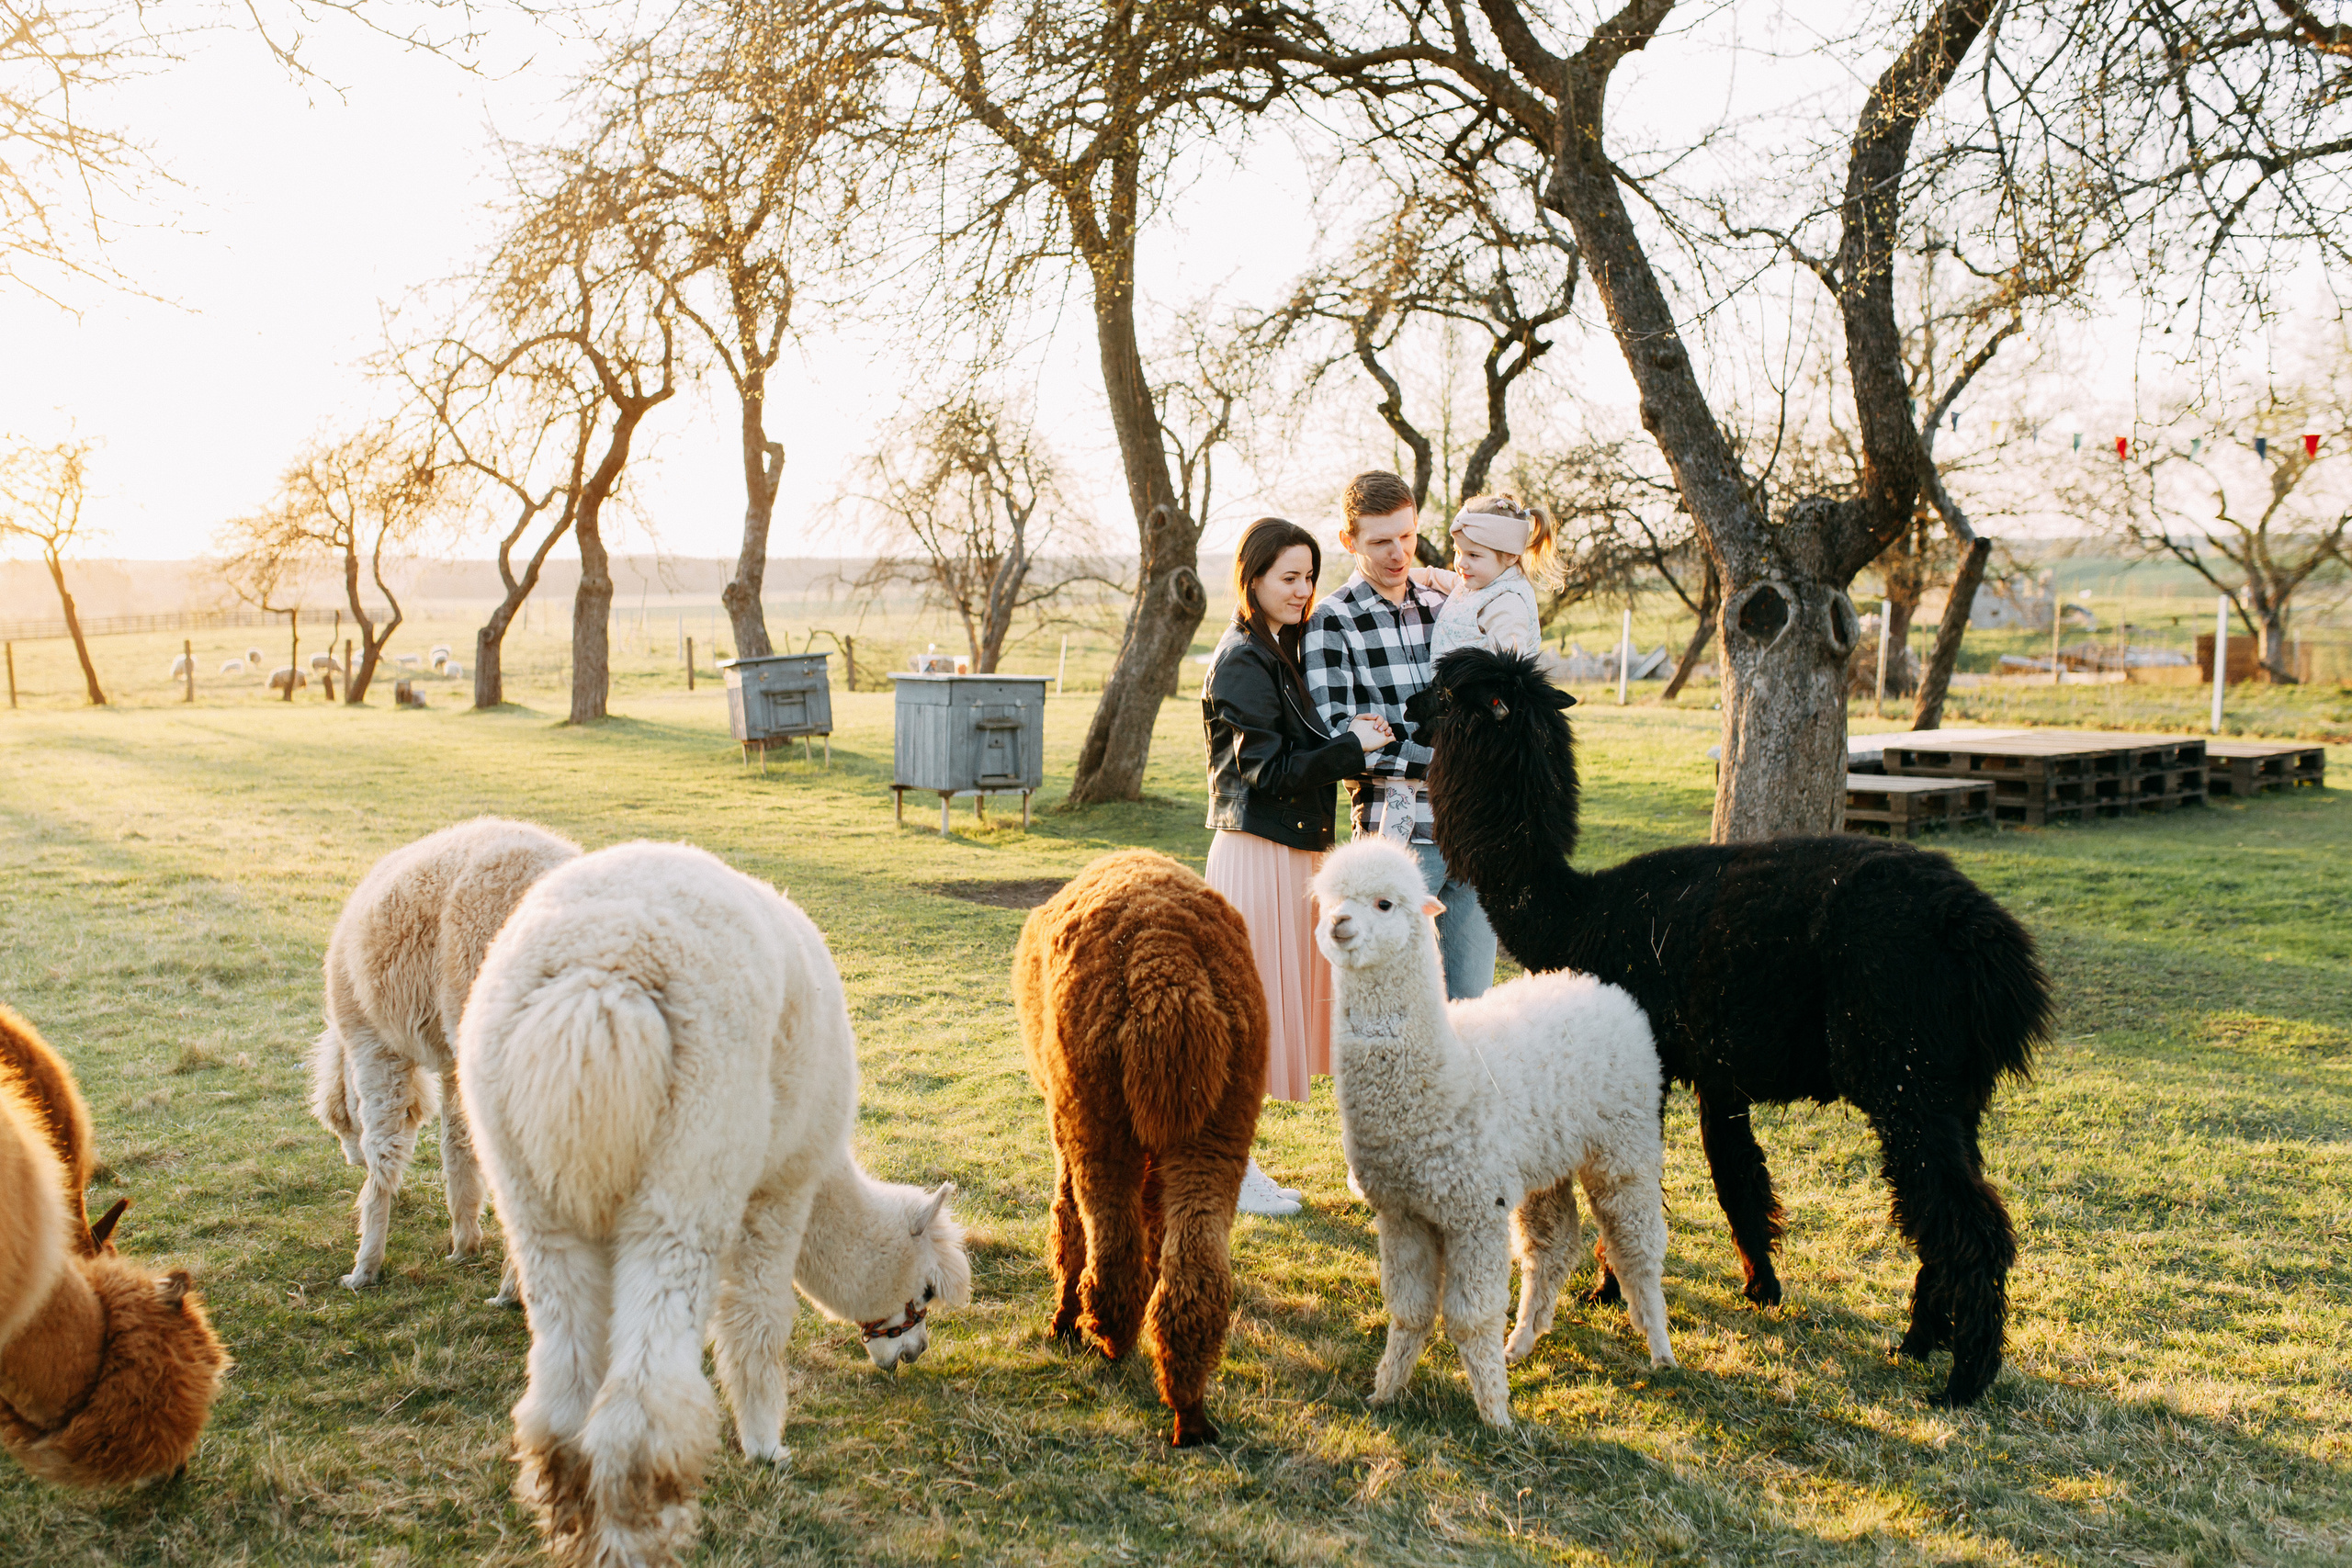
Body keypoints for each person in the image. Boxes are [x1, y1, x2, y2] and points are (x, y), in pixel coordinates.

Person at [1202, 516, 1394, 1217]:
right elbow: (1269, 770)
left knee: (1278, 1013)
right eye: (1288, 577)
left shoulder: (1283, 648)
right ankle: (1231, 1168)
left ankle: (1239, 1162)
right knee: (1248, 1018)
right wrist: (1351, 749)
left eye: (1309, 576)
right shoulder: (1241, 660)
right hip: (1258, 855)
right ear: (1251, 578)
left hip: (1298, 854)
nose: (1303, 590)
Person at [1302, 471, 1498, 1001]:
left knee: (1473, 1002)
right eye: (1380, 541)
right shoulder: (1331, 621)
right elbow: (1342, 740)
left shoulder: (1448, 604)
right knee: (1393, 999)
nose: (1398, 553)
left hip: (1473, 828)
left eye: (1407, 535)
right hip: (1398, 838)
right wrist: (1452, 762)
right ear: (1349, 541)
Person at [1408, 492, 1559, 660]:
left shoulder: (1507, 605)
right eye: (1458, 552)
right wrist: (1398, 576)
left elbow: (1511, 668)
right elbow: (1431, 576)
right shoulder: (1474, 584)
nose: (1461, 563)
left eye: (1473, 555)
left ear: (1510, 556)